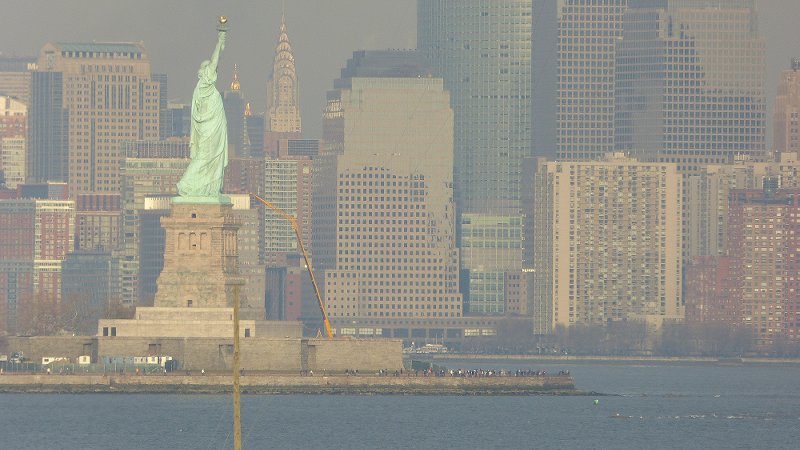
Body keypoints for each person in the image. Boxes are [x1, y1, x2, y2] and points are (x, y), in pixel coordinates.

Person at [176, 26, 229, 199]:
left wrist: (220, 47)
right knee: (205, 157)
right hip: (209, 129)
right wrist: (219, 41)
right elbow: (214, 62)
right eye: (210, 69)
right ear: (205, 73)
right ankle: (186, 184)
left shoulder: (205, 88)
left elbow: (215, 63)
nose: (214, 71)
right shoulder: (204, 85)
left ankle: (210, 188)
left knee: (211, 158)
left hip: (213, 127)